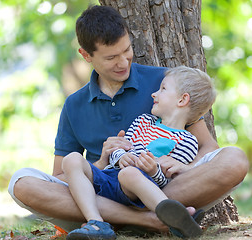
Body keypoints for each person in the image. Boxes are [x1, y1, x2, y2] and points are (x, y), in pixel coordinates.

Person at [8, 4, 249, 235]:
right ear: (85, 55)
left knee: (234, 160)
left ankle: (150, 211)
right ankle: (147, 221)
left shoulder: (164, 82)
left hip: (162, 187)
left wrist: (185, 168)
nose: (123, 63)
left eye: (127, 51)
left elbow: (208, 147)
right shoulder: (74, 105)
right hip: (102, 192)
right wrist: (102, 161)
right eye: (112, 57)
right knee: (21, 183)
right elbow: (61, 176)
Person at [62, 66, 217, 239]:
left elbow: (168, 178)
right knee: (72, 159)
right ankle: (96, 223)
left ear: (182, 100)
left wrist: (152, 170)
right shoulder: (142, 121)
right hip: (108, 177)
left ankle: (175, 216)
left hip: (133, 189)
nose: (154, 94)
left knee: (129, 174)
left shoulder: (187, 142)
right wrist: (121, 156)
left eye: (163, 89)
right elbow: (120, 147)